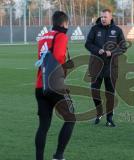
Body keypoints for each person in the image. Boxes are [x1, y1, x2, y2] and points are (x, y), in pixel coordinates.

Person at [35, 11, 75, 160]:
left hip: (40, 85)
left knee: (43, 126)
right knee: (71, 118)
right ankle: (58, 156)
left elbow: (42, 61)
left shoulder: (43, 38)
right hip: (54, 85)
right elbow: (58, 56)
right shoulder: (61, 36)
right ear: (64, 23)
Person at [85, 9, 126, 127]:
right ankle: (99, 112)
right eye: (102, 17)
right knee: (94, 91)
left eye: (105, 17)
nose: (103, 19)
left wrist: (112, 52)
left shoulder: (117, 30)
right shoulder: (95, 29)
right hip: (96, 66)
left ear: (110, 17)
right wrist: (98, 50)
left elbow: (123, 47)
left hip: (111, 67)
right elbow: (88, 44)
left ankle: (109, 118)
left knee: (110, 93)